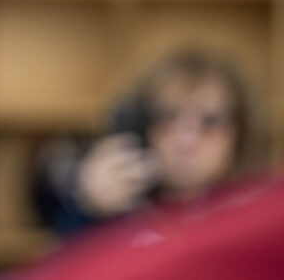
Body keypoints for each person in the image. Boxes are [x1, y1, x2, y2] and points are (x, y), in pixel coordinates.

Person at [32, 47, 263, 237]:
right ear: (143, 124)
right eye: (168, 116)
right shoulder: (113, 213)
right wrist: (88, 206)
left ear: (239, 133)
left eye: (210, 121)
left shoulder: (257, 222)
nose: (186, 140)